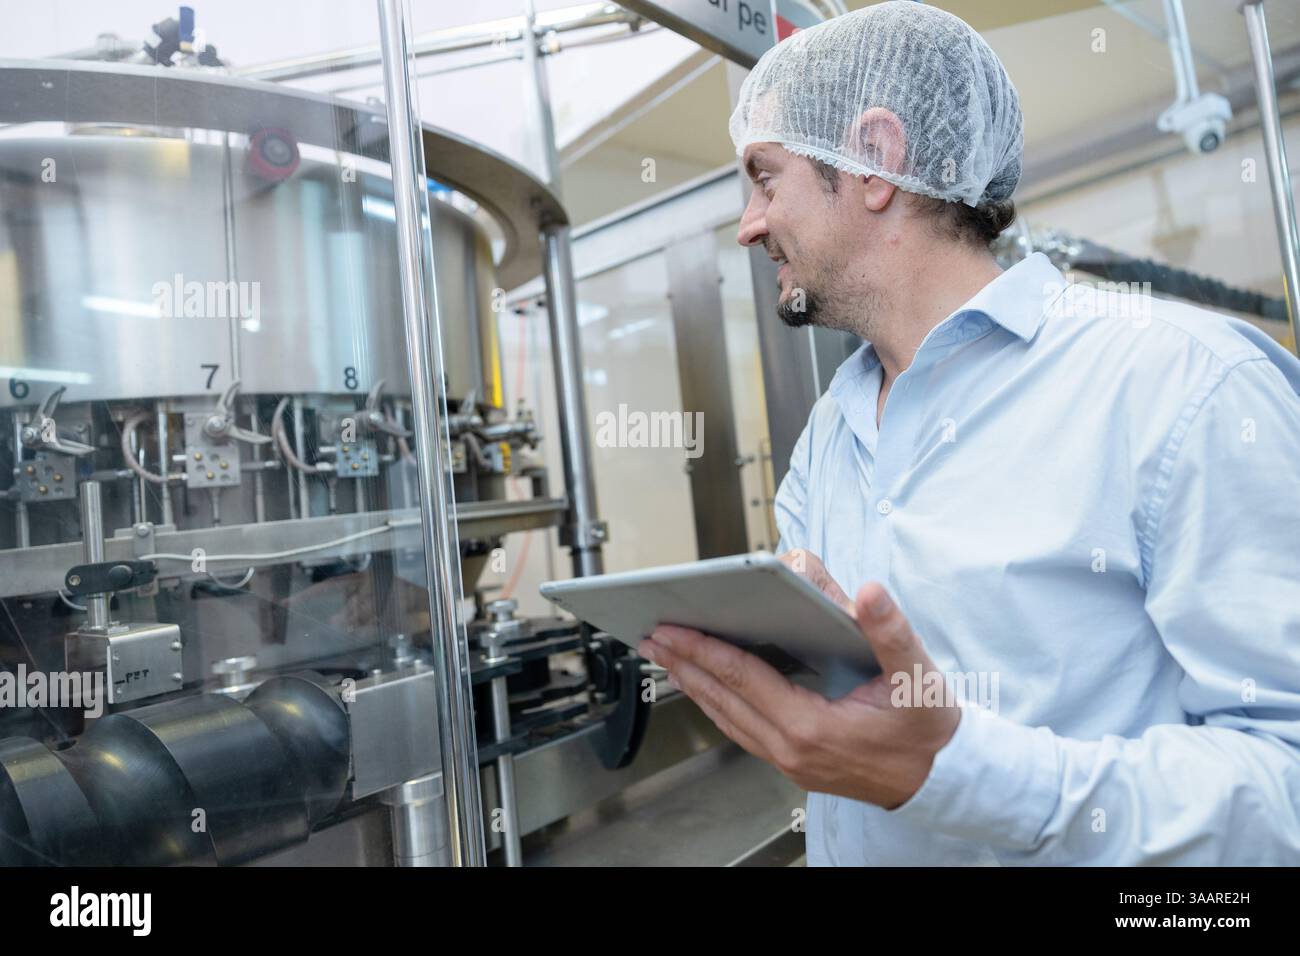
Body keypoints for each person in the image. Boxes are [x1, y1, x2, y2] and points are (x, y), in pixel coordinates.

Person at [637, 1, 1300, 865]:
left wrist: (955, 770)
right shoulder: (833, 430)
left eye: (766, 178)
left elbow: (1284, 784)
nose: (749, 224)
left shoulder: (1185, 383)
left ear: (874, 161)